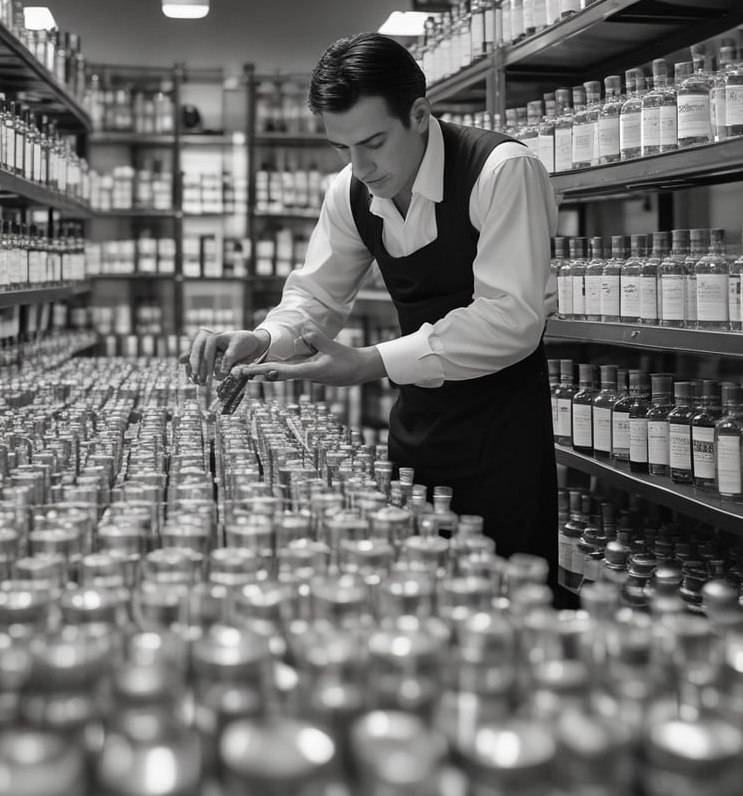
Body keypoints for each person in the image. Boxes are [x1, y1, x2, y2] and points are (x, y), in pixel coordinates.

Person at [186, 32, 559, 572]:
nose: (360, 166)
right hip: (416, 433)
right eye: (342, 148)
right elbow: (316, 294)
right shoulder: (351, 190)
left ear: (420, 114)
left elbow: (511, 319)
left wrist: (369, 363)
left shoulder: (501, 170)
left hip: (505, 442)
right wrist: (267, 338)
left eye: (374, 143)